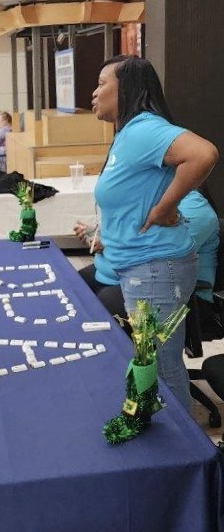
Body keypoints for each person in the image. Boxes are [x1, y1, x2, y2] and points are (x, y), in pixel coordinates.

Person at [91, 55, 218, 409]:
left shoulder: (145, 127)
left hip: (156, 268)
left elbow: (203, 153)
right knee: (155, 360)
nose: (94, 92)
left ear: (127, 89)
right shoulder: (128, 134)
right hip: (139, 267)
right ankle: (169, 437)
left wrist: (165, 208)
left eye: (102, 83)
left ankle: (183, 450)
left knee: (161, 363)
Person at [76, 189, 220, 331]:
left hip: (181, 298)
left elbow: (157, 260)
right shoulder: (151, 198)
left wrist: (110, 246)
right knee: (73, 285)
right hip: (129, 275)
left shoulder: (195, 210)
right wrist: (98, 236)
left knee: (103, 307)